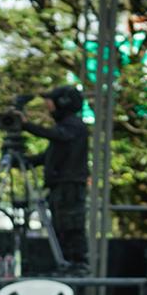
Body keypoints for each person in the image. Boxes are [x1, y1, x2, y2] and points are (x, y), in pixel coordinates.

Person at [21, 85, 90, 272]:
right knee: (60, 226)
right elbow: (49, 155)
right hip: (60, 185)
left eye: (50, 102)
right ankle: (66, 262)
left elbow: (57, 136)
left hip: (70, 186)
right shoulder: (66, 128)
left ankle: (76, 263)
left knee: (70, 225)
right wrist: (24, 160)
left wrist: (26, 125)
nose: (48, 106)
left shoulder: (73, 126)